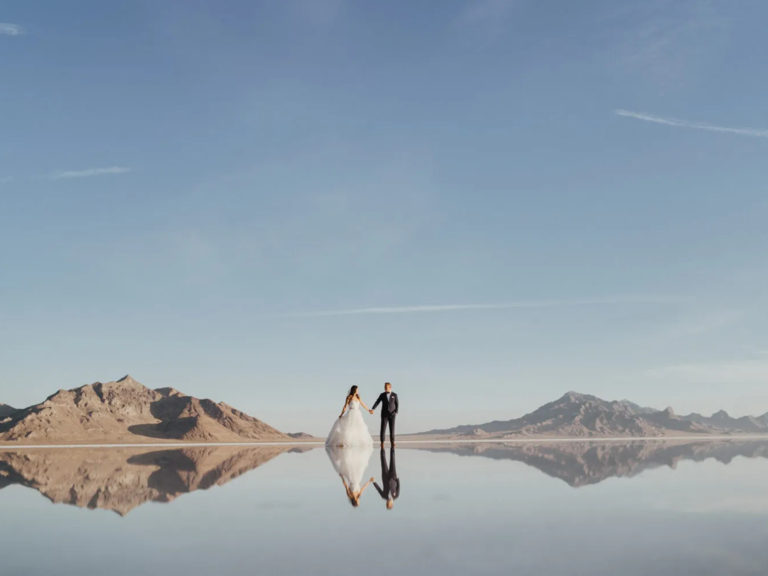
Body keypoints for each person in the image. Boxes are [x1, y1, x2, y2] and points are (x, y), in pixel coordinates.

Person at [371, 382, 399, 448]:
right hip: (384, 414)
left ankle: (392, 442)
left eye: (386, 387)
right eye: (384, 387)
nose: (385, 388)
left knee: (392, 429)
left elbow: (397, 404)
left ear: (390, 387)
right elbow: (377, 402)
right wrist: (373, 409)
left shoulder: (394, 395)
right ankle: (382, 442)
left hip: (392, 414)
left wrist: (396, 412)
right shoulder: (382, 395)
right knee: (383, 428)